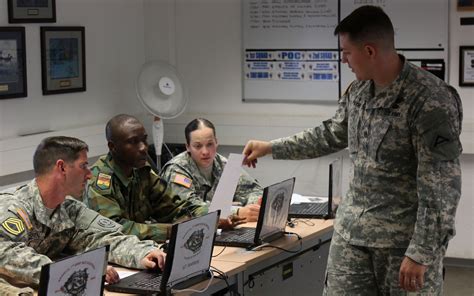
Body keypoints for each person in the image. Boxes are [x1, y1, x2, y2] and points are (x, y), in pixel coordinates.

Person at [242, 5, 462, 295]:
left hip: (403, 244)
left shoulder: (430, 99)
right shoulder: (358, 91)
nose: (343, 59)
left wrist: (422, 251)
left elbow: (442, 185)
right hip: (352, 237)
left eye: (346, 52)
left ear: (369, 51)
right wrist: (271, 147)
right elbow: (330, 135)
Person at [0, 136, 166, 288]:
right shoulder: (13, 209)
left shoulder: (69, 208)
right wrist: (75, 269)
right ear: (62, 167)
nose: (89, 175)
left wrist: (142, 253)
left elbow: (100, 238)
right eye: (84, 166)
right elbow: (7, 254)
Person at [85, 115, 242, 243]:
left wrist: (213, 216)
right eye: (133, 142)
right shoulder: (100, 181)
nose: (143, 147)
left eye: (144, 140)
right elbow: (116, 228)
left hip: (142, 250)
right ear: (112, 147)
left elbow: (176, 207)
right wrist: (170, 230)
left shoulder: (142, 171)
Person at [161, 118, 263, 222]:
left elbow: (254, 190)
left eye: (210, 144)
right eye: (198, 146)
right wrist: (235, 212)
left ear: (216, 142)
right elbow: (190, 208)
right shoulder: (176, 170)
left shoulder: (223, 164)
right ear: (188, 147)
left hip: (219, 229)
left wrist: (254, 206)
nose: (205, 151)